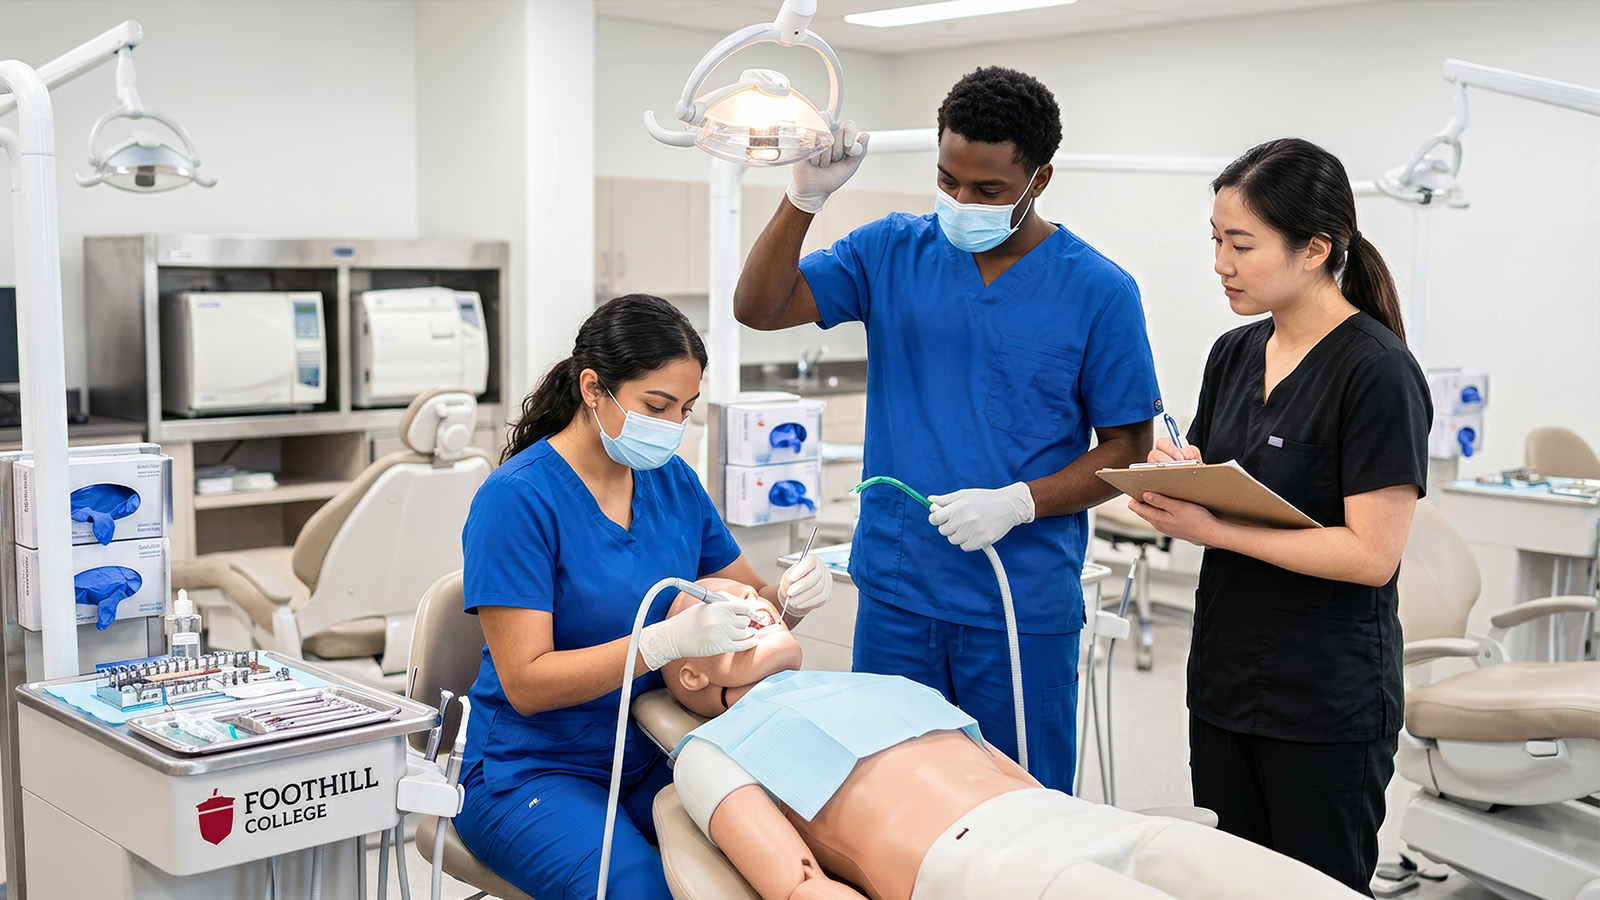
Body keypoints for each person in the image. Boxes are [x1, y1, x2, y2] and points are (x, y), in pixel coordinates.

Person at [734, 65, 1161, 792]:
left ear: (1040, 178)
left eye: (988, 190)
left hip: (1017, 602)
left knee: (1019, 807)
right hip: (900, 589)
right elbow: (760, 306)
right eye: (949, 180)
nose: (961, 202)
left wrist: (1020, 501)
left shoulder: (1099, 291)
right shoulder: (892, 252)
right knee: (890, 797)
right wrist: (802, 199)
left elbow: (1129, 448)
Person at [454, 294, 836, 900]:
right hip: (532, 769)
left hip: (654, 744)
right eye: (656, 406)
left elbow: (746, 589)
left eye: (685, 409)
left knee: (789, 858)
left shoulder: (672, 482)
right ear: (592, 388)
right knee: (645, 890)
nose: (672, 427)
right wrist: (663, 643)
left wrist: (788, 598)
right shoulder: (517, 502)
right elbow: (527, 683)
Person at [1127, 138, 1431, 894]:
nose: (1220, 264)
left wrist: (1213, 528)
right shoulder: (1234, 353)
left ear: (1314, 249)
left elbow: (1371, 557)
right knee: (1228, 882)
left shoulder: (1376, 371)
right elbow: (1219, 470)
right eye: (1215, 242)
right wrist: (1180, 480)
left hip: (1325, 703)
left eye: (1240, 244)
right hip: (1227, 682)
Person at [654, 581, 1367, 900]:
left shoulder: (884, 685)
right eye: (722, 606)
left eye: (754, 598)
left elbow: (1015, 776)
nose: (752, 605)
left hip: (1076, 821)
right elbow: (798, 887)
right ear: (686, 664)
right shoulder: (713, 751)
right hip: (981, 865)